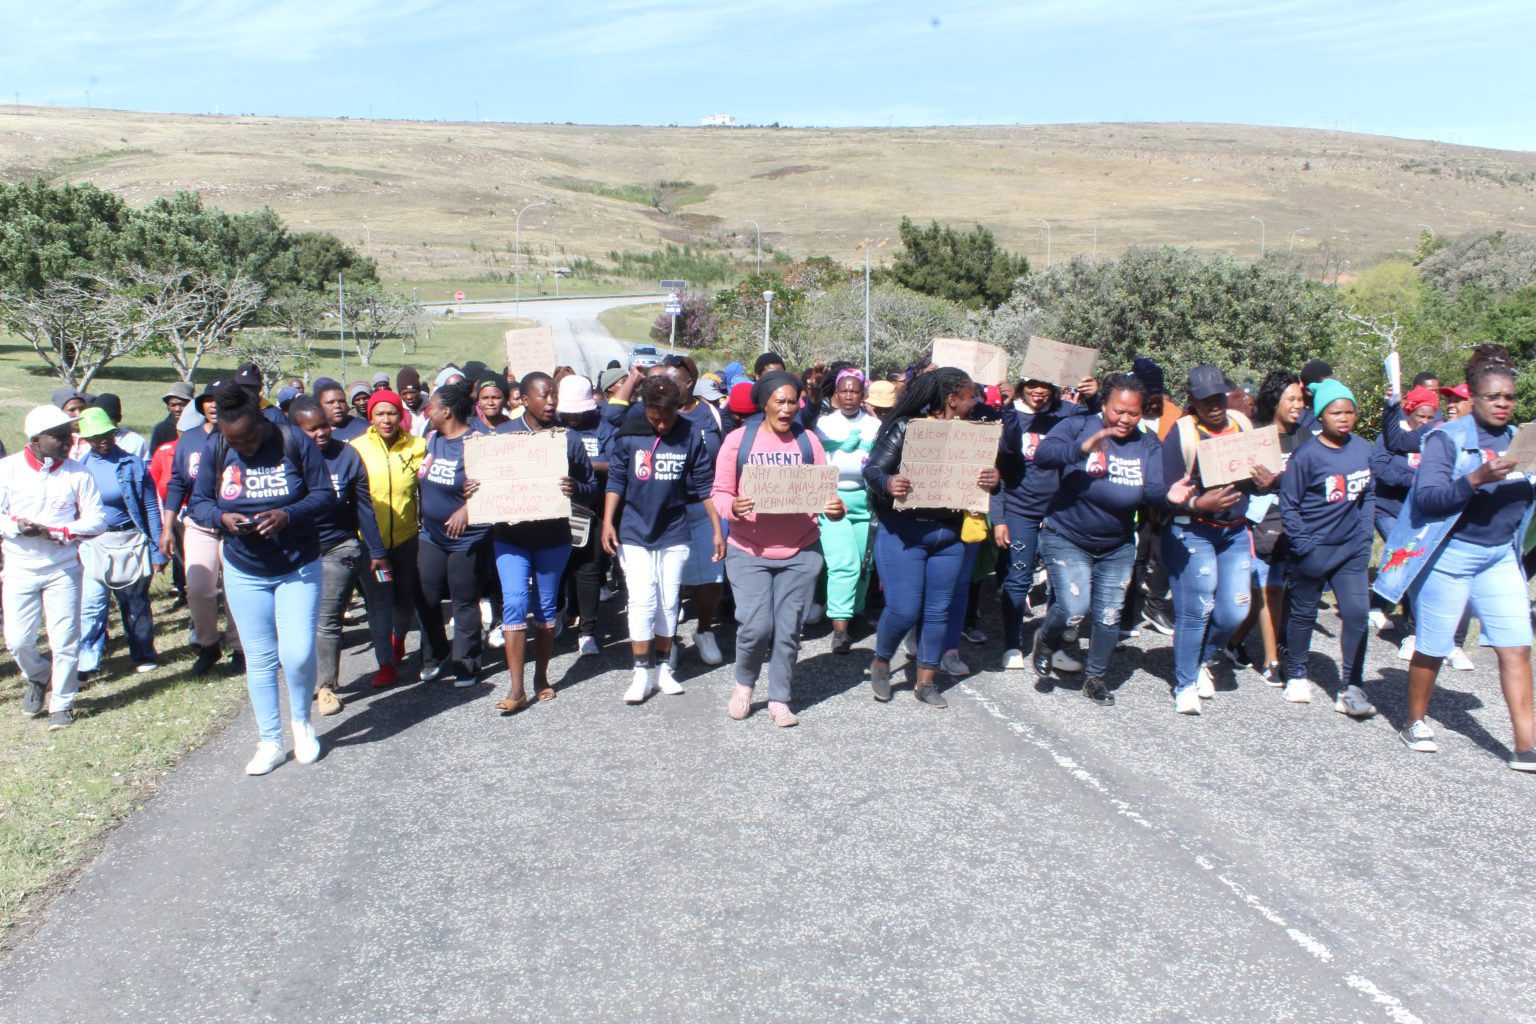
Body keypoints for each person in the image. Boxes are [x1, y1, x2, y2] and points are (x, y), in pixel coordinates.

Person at [1375, 345, 1536, 770]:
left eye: (1510, 397)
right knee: (1433, 645)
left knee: (1517, 647)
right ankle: (1415, 720)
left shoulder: (1520, 439)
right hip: (1450, 556)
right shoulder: (1446, 439)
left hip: (1499, 557)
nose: (1503, 404)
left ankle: (1525, 746)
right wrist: (1477, 477)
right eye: (1493, 396)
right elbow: (1427, 500)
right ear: (1473, 399)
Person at [188, 382, 336, 775]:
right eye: (237, 443)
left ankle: (301, 723)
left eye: (251, 438)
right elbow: (198, 503)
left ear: (261, 420)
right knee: (260, 658)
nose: (247, 448)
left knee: (298, 651)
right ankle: (269, 740)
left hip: (297, 565)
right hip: (244, 566)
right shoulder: (217, 448)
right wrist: (222, 518)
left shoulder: (294, 441)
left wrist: (288, 514)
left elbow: (324, 495)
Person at [713, 372, 844, 726]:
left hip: (801, 551)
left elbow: (827, 494)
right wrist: (733, 507)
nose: (787, 409)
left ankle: (780, 699)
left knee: (788, 631)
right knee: (755, 627)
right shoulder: (739, 442)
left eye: (793, 402)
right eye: (780, 401)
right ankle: (744, 684)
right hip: (748, 549)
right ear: (764, 404)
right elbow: (720, 492)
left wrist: (835, 508)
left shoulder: (809, 442)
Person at [1032, 374, 1173, 704]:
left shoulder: (1149, 444)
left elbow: (1153, 490)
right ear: (1104, 405)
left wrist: (1175, 496)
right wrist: (1081, 449)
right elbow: (1043, 455)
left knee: (1109, 614)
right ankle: (1047, 638)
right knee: (1073, 605)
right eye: (1118, 411)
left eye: (1133, 413)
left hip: (1117, 544)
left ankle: (1095, 677)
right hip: (1066, 535)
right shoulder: (1078, 425)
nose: (1125, 419)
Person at [862, 368, 999, 709]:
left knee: (939, 609)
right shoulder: (907, 427)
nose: (976, 401)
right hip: (903, 534)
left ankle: (926, 681)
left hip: (949, 536)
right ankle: (881, 660)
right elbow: (873, 469)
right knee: (905, 608)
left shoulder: (974, 436)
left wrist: (993, 477)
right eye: (970, 396)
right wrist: (888, 483)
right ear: (953, 400)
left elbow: (985, 481)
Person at [1161, 364, 1275, 714]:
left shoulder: (1242, 424)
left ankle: (1204, 659)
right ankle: (1185, 684)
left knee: (1235, 610)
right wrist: (1198, 502)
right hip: (1191, 529)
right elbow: (1160, 491)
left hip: (1234, 530)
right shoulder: (1181, 434)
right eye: (1205, 398)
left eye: (1219, 397)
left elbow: (1258, 478)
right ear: (1192, 400)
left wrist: (1266, 482)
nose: (1214, 404)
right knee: (1196, 610)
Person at [602, 375, 721, 705]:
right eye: (656, 419)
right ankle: (641, 673)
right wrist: (608, 522)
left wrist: (716, 529)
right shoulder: (630, 433)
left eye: (668, 419)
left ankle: (664, 670)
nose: (662, 426)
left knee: (669, 601)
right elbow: (616, 480)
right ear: (646, 409)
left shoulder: (689, 434)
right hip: (634, 531)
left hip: (674, 531)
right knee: (642, 600)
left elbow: (703, 485)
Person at [489, 373, 599, 712]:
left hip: (553, 537)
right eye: (544, 395)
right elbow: (483, 481)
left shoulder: (568, 439)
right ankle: (516, 687)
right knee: (515, 603)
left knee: (546, 608)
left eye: (554, 394)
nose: (551, 401)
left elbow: (592, 487)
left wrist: (575, 489)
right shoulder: (502, 436)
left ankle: (541, 677)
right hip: (511, 538)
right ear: (524, 398)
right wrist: (473, 490)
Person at [0, 406, 107, 729]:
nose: (68, 441)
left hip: (62, 567)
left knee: (64, 640)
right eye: (59, 437)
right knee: (17, 640)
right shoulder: (8, 469)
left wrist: (60, 531)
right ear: (36, 440)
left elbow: (97, 520)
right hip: (20, 566)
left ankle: (62, 701)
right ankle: (37, 675)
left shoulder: (78, 473)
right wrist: (18, 527)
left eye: (69, 435)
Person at [1278, 380, 1376, 714]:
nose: (1344, 418)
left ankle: (1351, 686)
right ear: (1321, 416)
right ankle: (1296, 674)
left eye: (1349, 411)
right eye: (1336, 412)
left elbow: (1369, 493)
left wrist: (1364, 537)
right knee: (1303, 612)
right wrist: (1304, 545)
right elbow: (1288, 503)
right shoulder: (1308, 455)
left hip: (1351, 550)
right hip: (1313, 550)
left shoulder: (1363, 448)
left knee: (1357, 615)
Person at [288, 395, 386, 716]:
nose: (322, 433)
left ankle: (327, 687)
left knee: (327, 619)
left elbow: (363, 508)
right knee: (299, 621)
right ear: (295, 431)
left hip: (339, 547)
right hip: (297, 550)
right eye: (312, 429)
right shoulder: (284, 460)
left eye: (325, 426)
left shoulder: (347, 456)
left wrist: (376, 551)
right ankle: (300, 681)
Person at [994, 375, 1087, 671]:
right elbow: (999, 461)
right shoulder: (1011, 413)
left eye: (1046, 386)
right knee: (1019, 577)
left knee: (1061, 583)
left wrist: (1095, 396)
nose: (1039, 392)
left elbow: (1097, 422)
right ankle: (1011, 644)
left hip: (1060, 512)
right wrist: (998, 518)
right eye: (1033, 384)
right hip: (1019, 510)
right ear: (1023, 385)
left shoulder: (1066, 414)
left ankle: (1053, 644)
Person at [1227, 369, 1306, 683]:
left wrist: (1280, 481)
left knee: (1271, 594)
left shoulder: (1304, 435)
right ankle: (1272, 662)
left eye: (1301, 398)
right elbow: (1244, 479)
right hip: (1258, 521)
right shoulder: (1257, 434)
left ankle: (1233, 642)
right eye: (1292, 399)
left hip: (1293, 521)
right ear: (1276, 401)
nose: (1298, 404)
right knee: (1268, 589)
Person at [74, 407, 165, 679]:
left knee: (134, 602)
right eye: (94, 436)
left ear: (115, 432)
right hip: (94, 542)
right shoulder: (80, 469)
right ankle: (87, 661)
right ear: (85, 439)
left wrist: (157, 548)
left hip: (129, 539)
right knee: (92, 603)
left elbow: (150, 506)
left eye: (106, 433)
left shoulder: (133, 464)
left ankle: (143, 653)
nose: (101, 439)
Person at [415, 382, 493, 688]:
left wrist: (466, 510)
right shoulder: (431, 438)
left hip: (469, 538)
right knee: (424, 595)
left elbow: (498, 489)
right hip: (432, 535)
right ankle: (435, 652)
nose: (426, 411)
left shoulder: (478, 442)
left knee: (463, 602)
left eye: (430, 406)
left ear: (446, 411)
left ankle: (467, 663)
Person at [350, 387, 427, 687]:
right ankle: (385, 663)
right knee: (380, 601)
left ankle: (399, 638)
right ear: (370, 416)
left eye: (391, 413)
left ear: (401, 415)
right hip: (372, 546)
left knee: (404, 600)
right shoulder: (357, 449)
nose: (386, 419)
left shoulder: (417, 446)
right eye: (379, 414)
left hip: (407, 540)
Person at [814, 369, 880, 654]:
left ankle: (854, 613)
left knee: (865, 565)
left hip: (865, 502)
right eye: (844, 391)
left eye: (855, 391)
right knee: (844, 564)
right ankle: (839, 630)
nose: (849, 396)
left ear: (863, 395)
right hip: (833, 501)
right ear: (836, 395)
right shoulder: (823, 424)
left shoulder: (875, 426)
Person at [556, 374, 610, 657]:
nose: (573, 417)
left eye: (579, 412)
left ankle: (588, 631)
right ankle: (562, 610)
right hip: (556, 507)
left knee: (589, 568)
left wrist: (580, 462)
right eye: (569, 412)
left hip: (594, 505)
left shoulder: (604, 427)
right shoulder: (553, 425)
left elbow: (616, 462)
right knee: (560, 566)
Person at [151, 382, 194, 451]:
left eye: (182, 404)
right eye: (173, 405)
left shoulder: (201, 427)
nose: (177, 409)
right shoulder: (161, 429)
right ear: (168, 407)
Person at [397, 367, 428, 438]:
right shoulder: (398, 412)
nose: (409, 397)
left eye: (412, 392)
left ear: (419, 391)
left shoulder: (431, 408)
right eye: (404, 393)